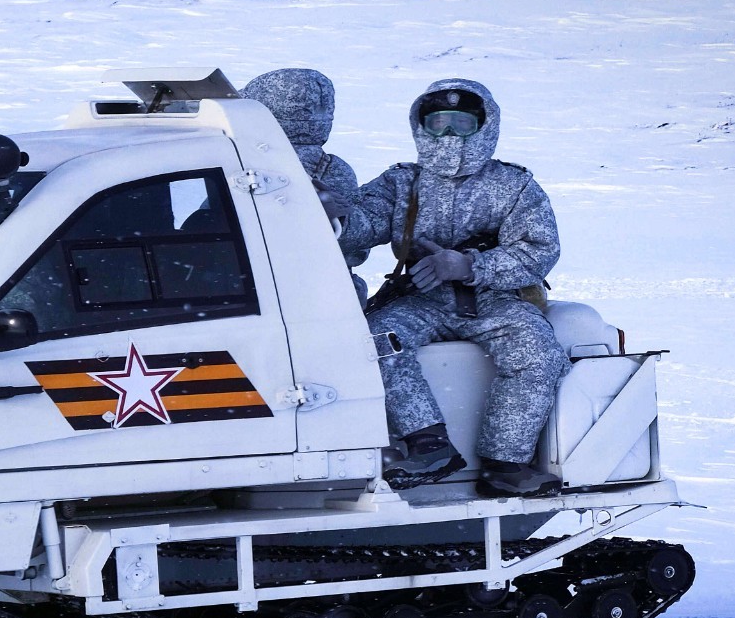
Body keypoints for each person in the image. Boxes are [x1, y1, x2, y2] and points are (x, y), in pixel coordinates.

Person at [342, 78, 569, 497]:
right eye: (438, 123)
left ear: (484, 126)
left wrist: (470, 265)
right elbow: (362, 221)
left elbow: (539, 250)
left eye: (460, 123)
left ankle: (506, 464)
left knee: (538, 354)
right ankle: (429, 444)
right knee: (375, 339)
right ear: (420, 126)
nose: (448, 135)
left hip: (496, 301)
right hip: (421, 298)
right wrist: (334, 215)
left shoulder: (514, 185)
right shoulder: (400, 183)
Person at [241, 69, 372, 304]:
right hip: (324, 297)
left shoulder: (244, 161)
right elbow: (354, 251)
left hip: (257, 292)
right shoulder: (336, 169)